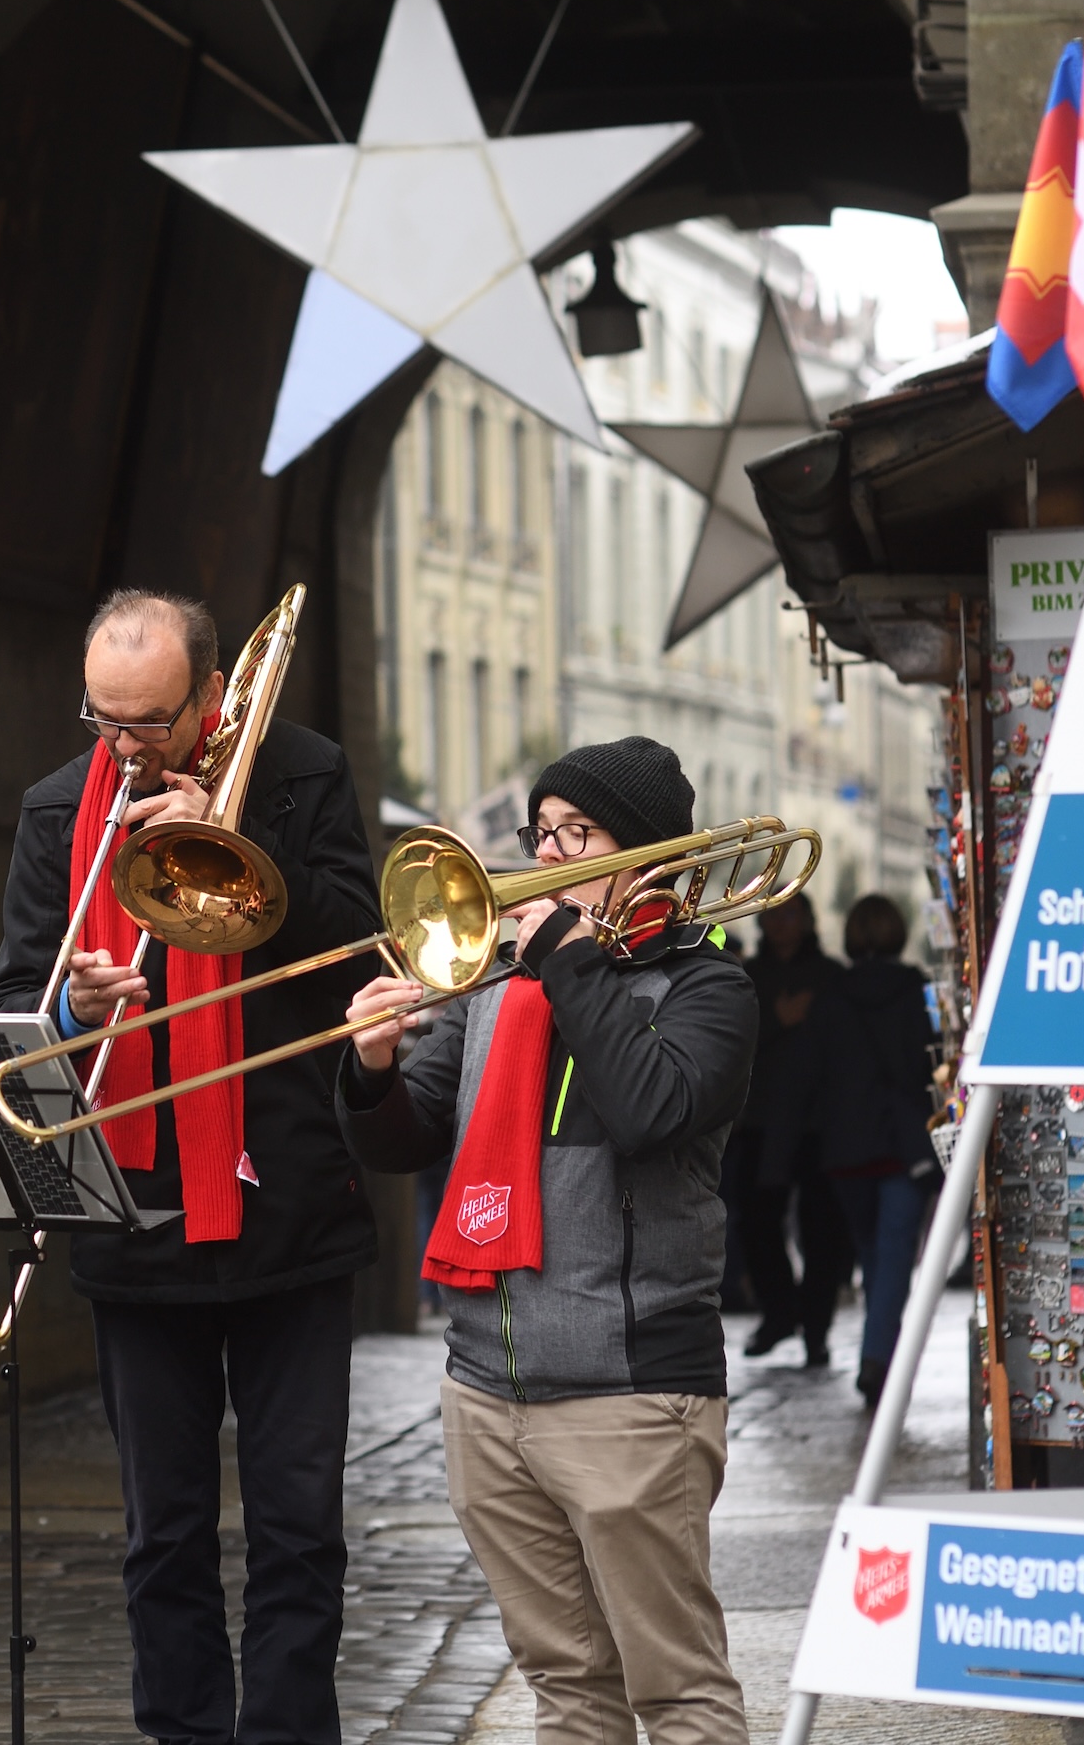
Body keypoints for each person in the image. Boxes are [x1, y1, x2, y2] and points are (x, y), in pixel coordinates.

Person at [0, 589, 376, 1745]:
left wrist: (240, 842)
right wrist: (70, 1002)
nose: (126, 745)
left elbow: (362, 943)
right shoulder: (61, 806)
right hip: (134, 1214)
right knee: (162, 1529)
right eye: (105, 717)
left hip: (288, 1205)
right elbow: (12, 993)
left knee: (301, 1523)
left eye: (150, 720)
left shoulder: (302, 771)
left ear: (213, 695)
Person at [336, 740, 754, 1745]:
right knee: (566, 1689)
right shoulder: (497, 983)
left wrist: (567, 958)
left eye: (580, 833)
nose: (548, 853)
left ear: (652, 850)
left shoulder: (706, 990)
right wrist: (373, 1066)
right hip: (487, 1389)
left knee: (679, 1693)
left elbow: (651, 1109)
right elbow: (407, 1139)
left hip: (632, 1391)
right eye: (543, 832)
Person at [807, 895, 941, 1406]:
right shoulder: (918, 992)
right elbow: (932, 1067)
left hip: (846, 1150)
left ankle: (876, 1346)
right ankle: (878, 1356)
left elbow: (812, 1073)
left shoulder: (831, 996)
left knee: (869, 1253)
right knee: (893, 1257)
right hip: (905, 1148)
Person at [727, 894, 849, 1367]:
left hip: (818, 1124)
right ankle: (779, 1313)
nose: (780, 924)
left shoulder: (830, 976)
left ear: (808, 920)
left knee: (822, 1234)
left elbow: (839, 1048)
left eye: (790, 914)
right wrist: (778, 1020)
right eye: (772, 915)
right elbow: (731, 1041)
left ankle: (816, 1329)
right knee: (756, 1223)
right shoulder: (747, 976)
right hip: (759, 1119)